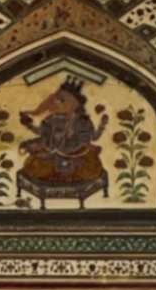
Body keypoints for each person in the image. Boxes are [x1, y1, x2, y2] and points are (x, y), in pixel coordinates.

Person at [15, 76, 108, 208]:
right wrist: (28, 125)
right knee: (35, 168)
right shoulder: (51, 119)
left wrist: (101, 126)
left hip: (77, 156)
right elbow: (42, 133)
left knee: (84, 171)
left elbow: (91, 138)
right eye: (57, 99)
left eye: (62, 100)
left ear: (74, 104)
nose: (56, 103)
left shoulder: (82, 121)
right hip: (52, 154)